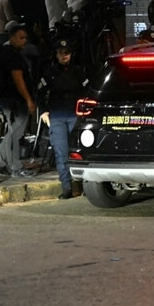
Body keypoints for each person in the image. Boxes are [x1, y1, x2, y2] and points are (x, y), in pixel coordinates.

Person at [38, 38, 88, 200]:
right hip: (57, 116)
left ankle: (85, 185)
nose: (64, 56)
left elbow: (88, 91)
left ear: (71, 54)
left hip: (75, 116)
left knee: (80, 151)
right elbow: (39, 92)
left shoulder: (79, 71)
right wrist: (43, 112)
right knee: (61, 152)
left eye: (66, 53)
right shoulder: (50, 72)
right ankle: (66, 187)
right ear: (56, 54)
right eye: (60, 53)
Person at [0, 24, 37, 178]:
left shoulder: (5, 53)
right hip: (15, 100)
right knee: (15, 134)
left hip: (6, 98)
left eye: (26, 38)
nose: (25, 41)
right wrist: (29, 99)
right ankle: (15, 167)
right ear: (11, 38)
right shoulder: (13, 56)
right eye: (21, 38)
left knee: (12, 132)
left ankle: (1, 163)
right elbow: (18, 80)